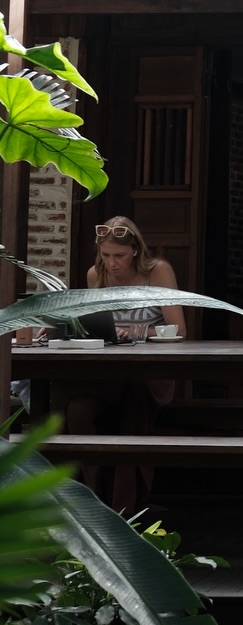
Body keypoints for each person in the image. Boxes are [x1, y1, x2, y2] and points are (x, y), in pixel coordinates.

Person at [64, 217, 186, 513]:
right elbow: (95, 326)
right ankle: (92, 492)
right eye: (105, 255)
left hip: (150, 371)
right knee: (75, 408)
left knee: (94, 391)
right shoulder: (96, 275)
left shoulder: (157, 271)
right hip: (109, 370)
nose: (112, 263)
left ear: (135, 251)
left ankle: (125, 500)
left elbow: (180, 330)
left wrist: (135, 332)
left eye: (119, 256)